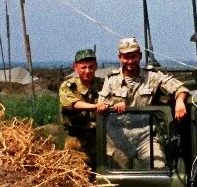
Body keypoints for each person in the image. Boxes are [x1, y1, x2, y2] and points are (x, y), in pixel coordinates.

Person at [98, 37, 189, 168]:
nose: (130, 61)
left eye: (133, 56)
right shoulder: (111, 80)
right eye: (126, 57)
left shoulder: (152, 76)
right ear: (120, 58)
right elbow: (101, 105)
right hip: (119, 136)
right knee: (117, 180)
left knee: (158, 170)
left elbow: (179, 87)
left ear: (140, 56)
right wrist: (114, 105)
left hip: (145, 136)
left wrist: (180, 101)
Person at [58, 48, 104, 167]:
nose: (87, 71)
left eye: (91, 67)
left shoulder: (104, 85)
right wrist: (94, 106)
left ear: (96, 67)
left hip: (100, 142)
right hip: (76, 145)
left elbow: (114, 99)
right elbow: (72, 103)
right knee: (79, 180)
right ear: (75, 67)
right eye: (83, 67)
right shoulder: (68, 86)